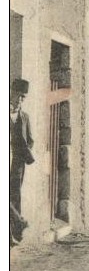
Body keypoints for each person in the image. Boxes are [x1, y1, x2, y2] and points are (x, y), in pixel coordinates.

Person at [10, 78, 34, 245]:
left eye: (23, 97)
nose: (19, 100)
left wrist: (25, 152)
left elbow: (30, 139)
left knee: (15, 196)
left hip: (17, 163)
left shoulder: (24, 117)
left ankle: (14, 233)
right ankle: (18, 223)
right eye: (17, 95)